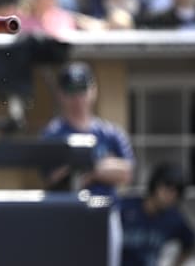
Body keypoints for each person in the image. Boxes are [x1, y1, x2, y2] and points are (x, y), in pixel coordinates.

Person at [40, 61, 135, 266]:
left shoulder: (110, 133)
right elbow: (51, 176)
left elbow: (126, 172)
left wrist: (89, 168)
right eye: (71, 92)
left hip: (105, 214)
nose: (77, 98)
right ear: (61, 94)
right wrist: (100, 166)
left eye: (82, 90)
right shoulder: (53, 134)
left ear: (93, 90)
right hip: (64, 216)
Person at [120, 163, 195, 266]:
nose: (171, 195)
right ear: (155, 185)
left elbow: (190, 242)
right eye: (167, 187)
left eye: (177, 191)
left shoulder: (173, 218)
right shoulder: (125, 207)